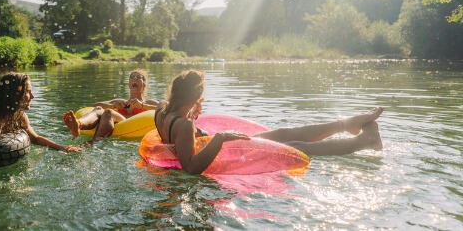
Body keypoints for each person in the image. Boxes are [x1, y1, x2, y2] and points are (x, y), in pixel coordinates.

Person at [155, 69, 384, 174]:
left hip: (223, 147)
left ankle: (348, 124)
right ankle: (364, 141)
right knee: (295, 146)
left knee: (284, 132)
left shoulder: (162, 111)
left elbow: (183, 139)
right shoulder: (183, 125)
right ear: (195, 97)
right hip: (226, 155)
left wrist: (197, 121)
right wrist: (220, 138)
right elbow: (191, 168)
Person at [62, 69, 160, 142]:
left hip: (129, 127)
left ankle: (92, 143)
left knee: (108, 112)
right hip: (116, 125)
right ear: (129, 84)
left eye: (138, 77)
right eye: (132, 77)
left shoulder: (149, 102)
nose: (134, 78)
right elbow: (95, 105)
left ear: (144, 85)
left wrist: (142, 106)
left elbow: (167, 109)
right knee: (100, 109)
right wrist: (112, 105)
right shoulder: (121, 101)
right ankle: (78, 124)